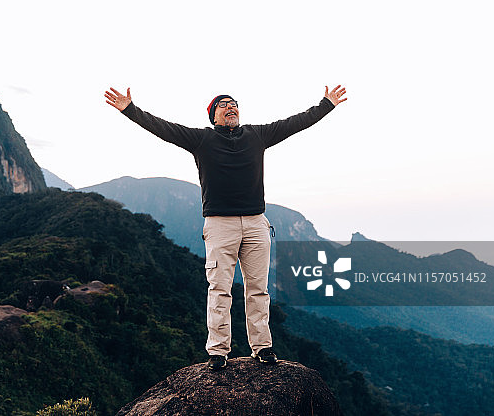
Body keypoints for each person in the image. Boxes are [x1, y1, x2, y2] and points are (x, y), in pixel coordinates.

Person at [104, 84, 347, 370]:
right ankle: (218, 351)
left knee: (258, 289)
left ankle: (262, 347)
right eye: (223, 105)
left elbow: (295, 123)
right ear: (213, 116)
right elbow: (163, 128)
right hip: (220, 225)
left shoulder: (257, 135)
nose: (231, 107)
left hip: (257, 223)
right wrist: (130, 110)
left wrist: (326, 105)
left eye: (234, 104)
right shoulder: (201, 140)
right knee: (219, 289)